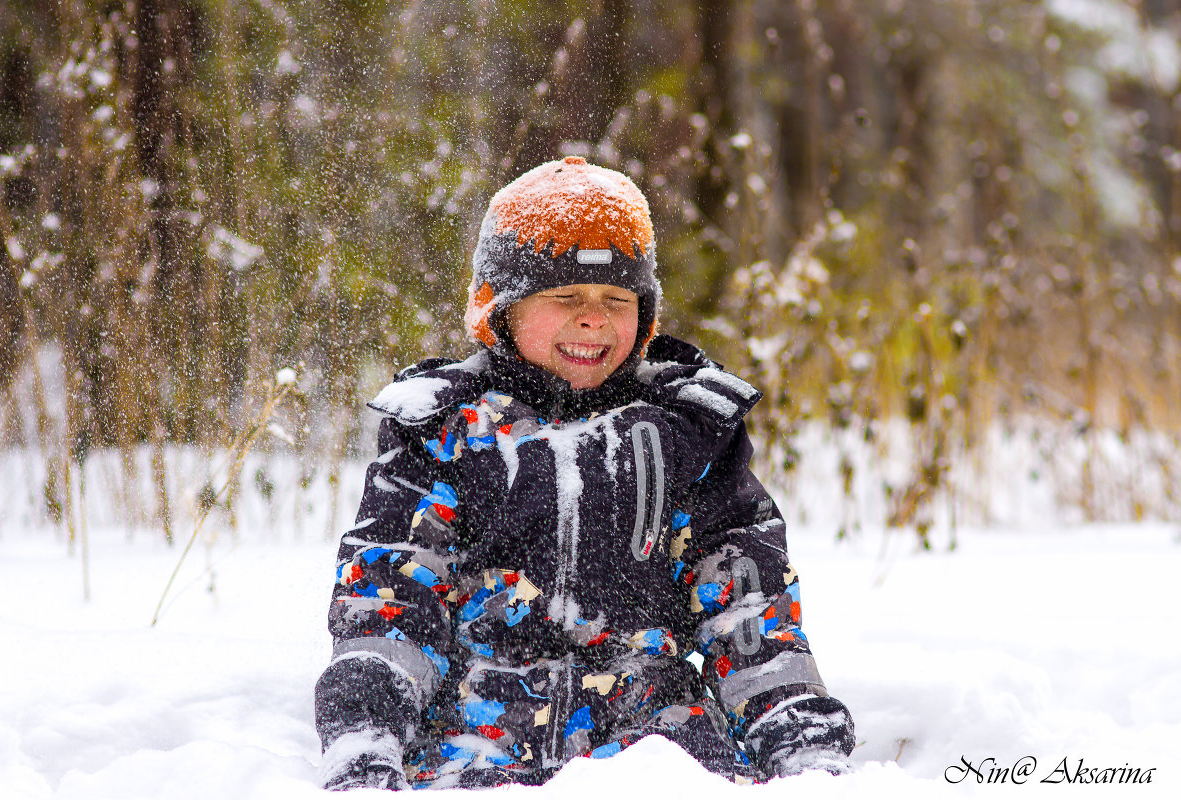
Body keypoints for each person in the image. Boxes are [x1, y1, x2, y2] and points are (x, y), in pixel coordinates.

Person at [314, 157, 854, 790]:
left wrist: (801, 742)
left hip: (659, 753)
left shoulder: (687, 432)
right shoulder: (443, 433)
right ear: (501, 310)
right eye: (565, 297)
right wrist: (364, 739)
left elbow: (750, 609)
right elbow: (390, 601)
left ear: (644, 316)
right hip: (475, 750)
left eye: (615, 300)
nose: (593, 318)